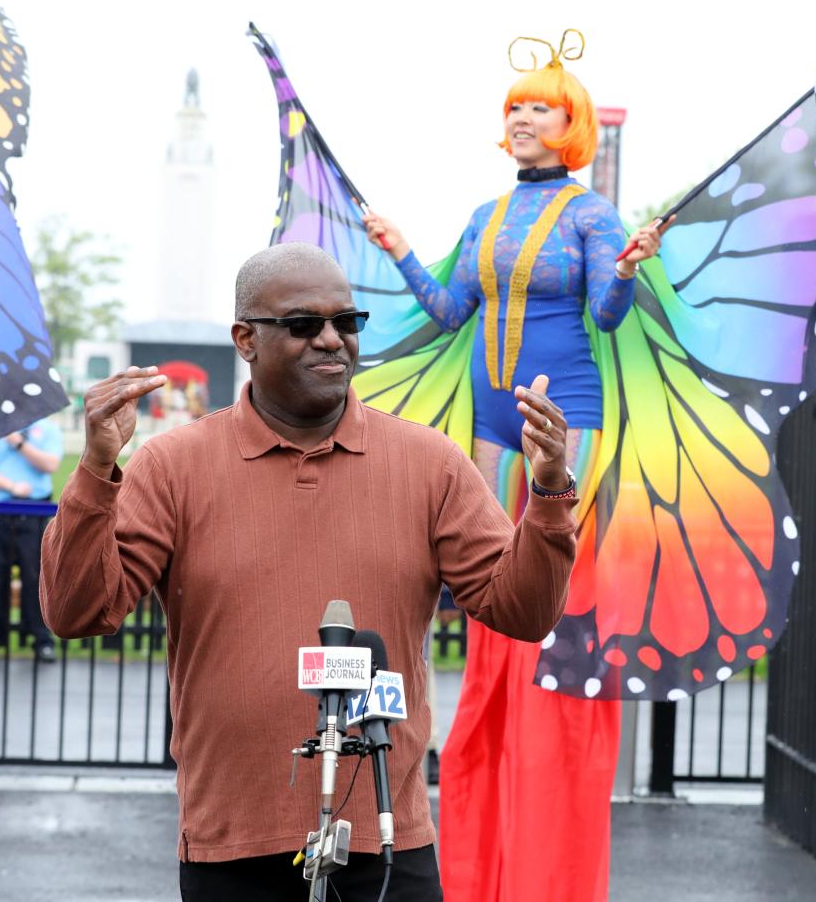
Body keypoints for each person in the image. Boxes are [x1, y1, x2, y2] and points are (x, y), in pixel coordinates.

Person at [39, 242, 582, 902]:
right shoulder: (174, 465)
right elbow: (75, 611)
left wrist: (549, 493)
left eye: (346, 322)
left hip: (387, 845)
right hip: (231, 845)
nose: (332, 340)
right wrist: (96, 471)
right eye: (303, 325)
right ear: (245, 339)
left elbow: (523, 612)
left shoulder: (429, 462)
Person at [363, 32, 670, 901]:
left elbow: (608, 317)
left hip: (564, 418)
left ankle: (545, 813)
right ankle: (489, 819)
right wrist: (396, 250)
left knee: (548, 593)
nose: (523, 117)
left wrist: (633, 271)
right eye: (514, 107)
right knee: (492, 603)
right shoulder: (486, 215)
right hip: (487, 424)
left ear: (571, 126)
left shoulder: (590, 213)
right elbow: (447, 308)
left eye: (540, 106)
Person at [0, 419, 63, 662]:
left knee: (35, 576)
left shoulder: (47, 427)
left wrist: (18, 443)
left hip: (34, 510)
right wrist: (10, 486)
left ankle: (42, 640)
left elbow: (50, 464)